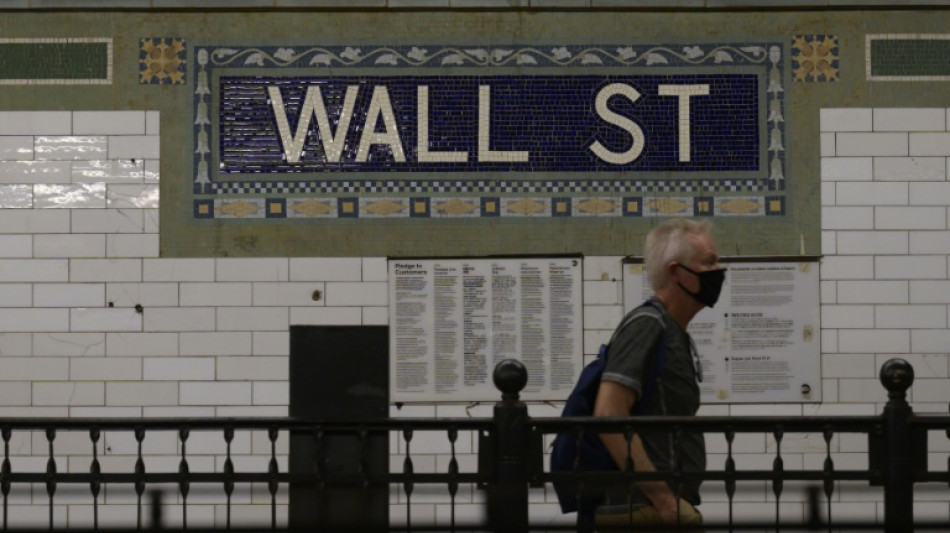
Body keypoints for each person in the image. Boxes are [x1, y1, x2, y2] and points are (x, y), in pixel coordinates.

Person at [592, 218, 725, 531]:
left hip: (657, 505)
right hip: (642, 508)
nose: (719, 270)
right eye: (709, 262)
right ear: (676, 272)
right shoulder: (647, 325)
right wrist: (665, 501)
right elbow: (608, 415)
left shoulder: (670, 329)